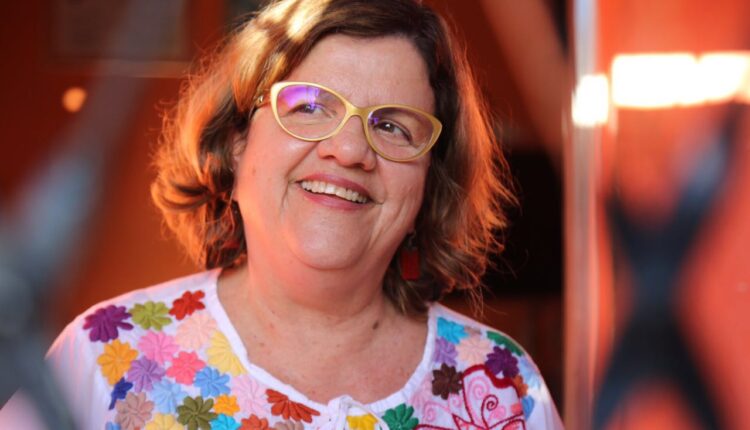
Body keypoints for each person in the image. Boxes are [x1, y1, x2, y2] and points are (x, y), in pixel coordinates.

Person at [0, 0, 564, 428]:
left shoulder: (504, 385)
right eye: (311, 106)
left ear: (429, 183)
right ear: (236, 143)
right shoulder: (105, 357)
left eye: (392, 126)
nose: (349, 151)